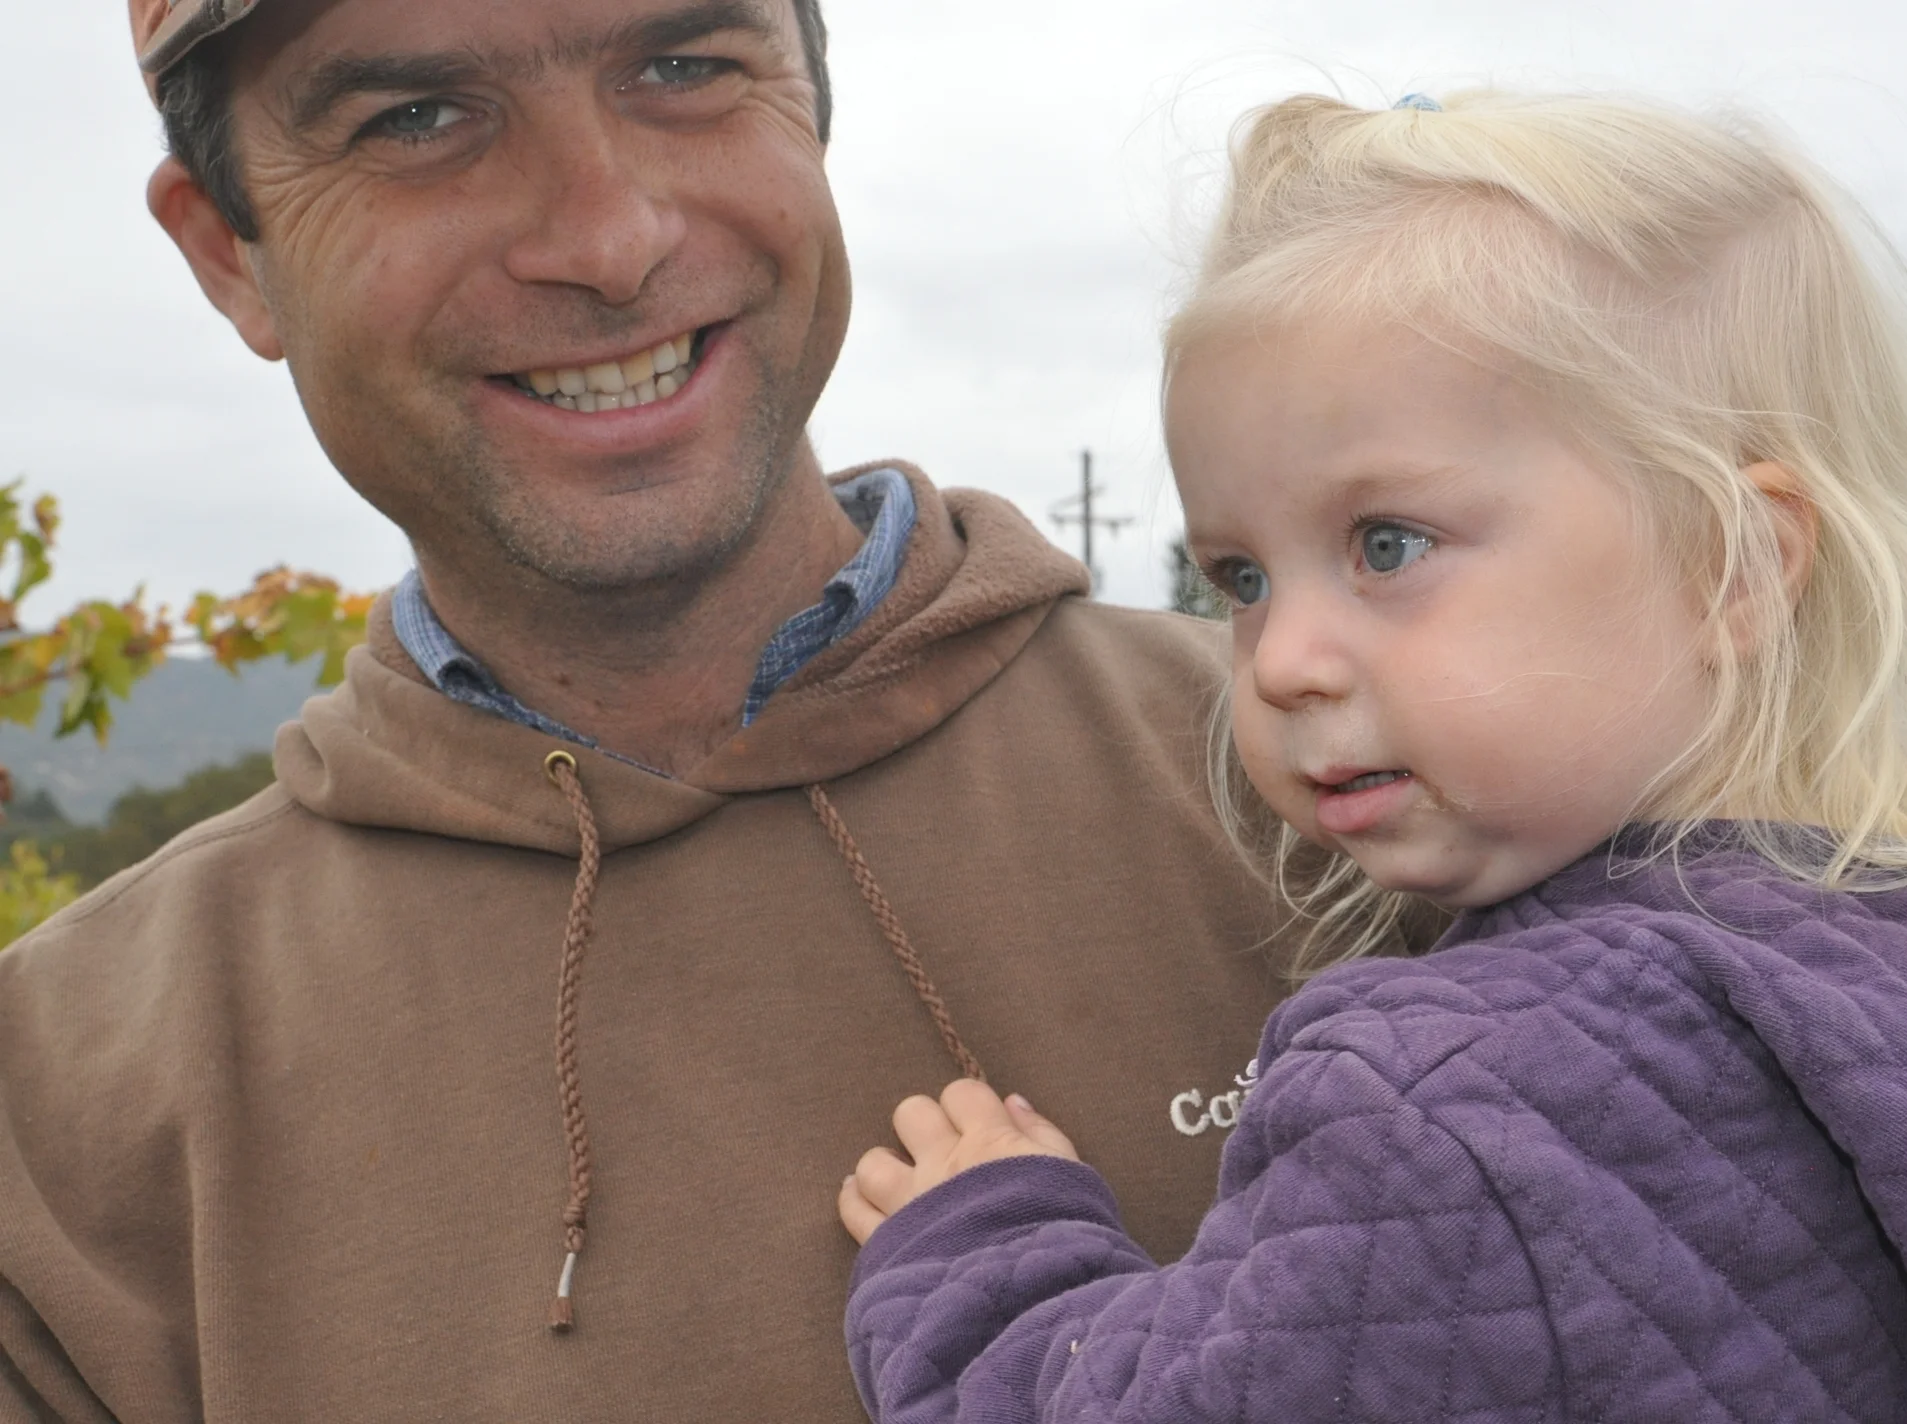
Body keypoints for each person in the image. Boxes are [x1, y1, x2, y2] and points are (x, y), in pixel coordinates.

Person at [0, 1, 1296, 1418]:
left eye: (685, 66)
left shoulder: (1376, 807)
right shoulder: (59, 1125)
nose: (610, 240)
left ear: (812, 104)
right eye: (414, 119)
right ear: (226, 254)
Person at [838, 91, 1907, 1420]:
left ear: (1733, 564)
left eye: (1387, 544)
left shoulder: (1443, 1099)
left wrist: (991, 1259)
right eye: (1241, 575)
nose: (1283, 656)